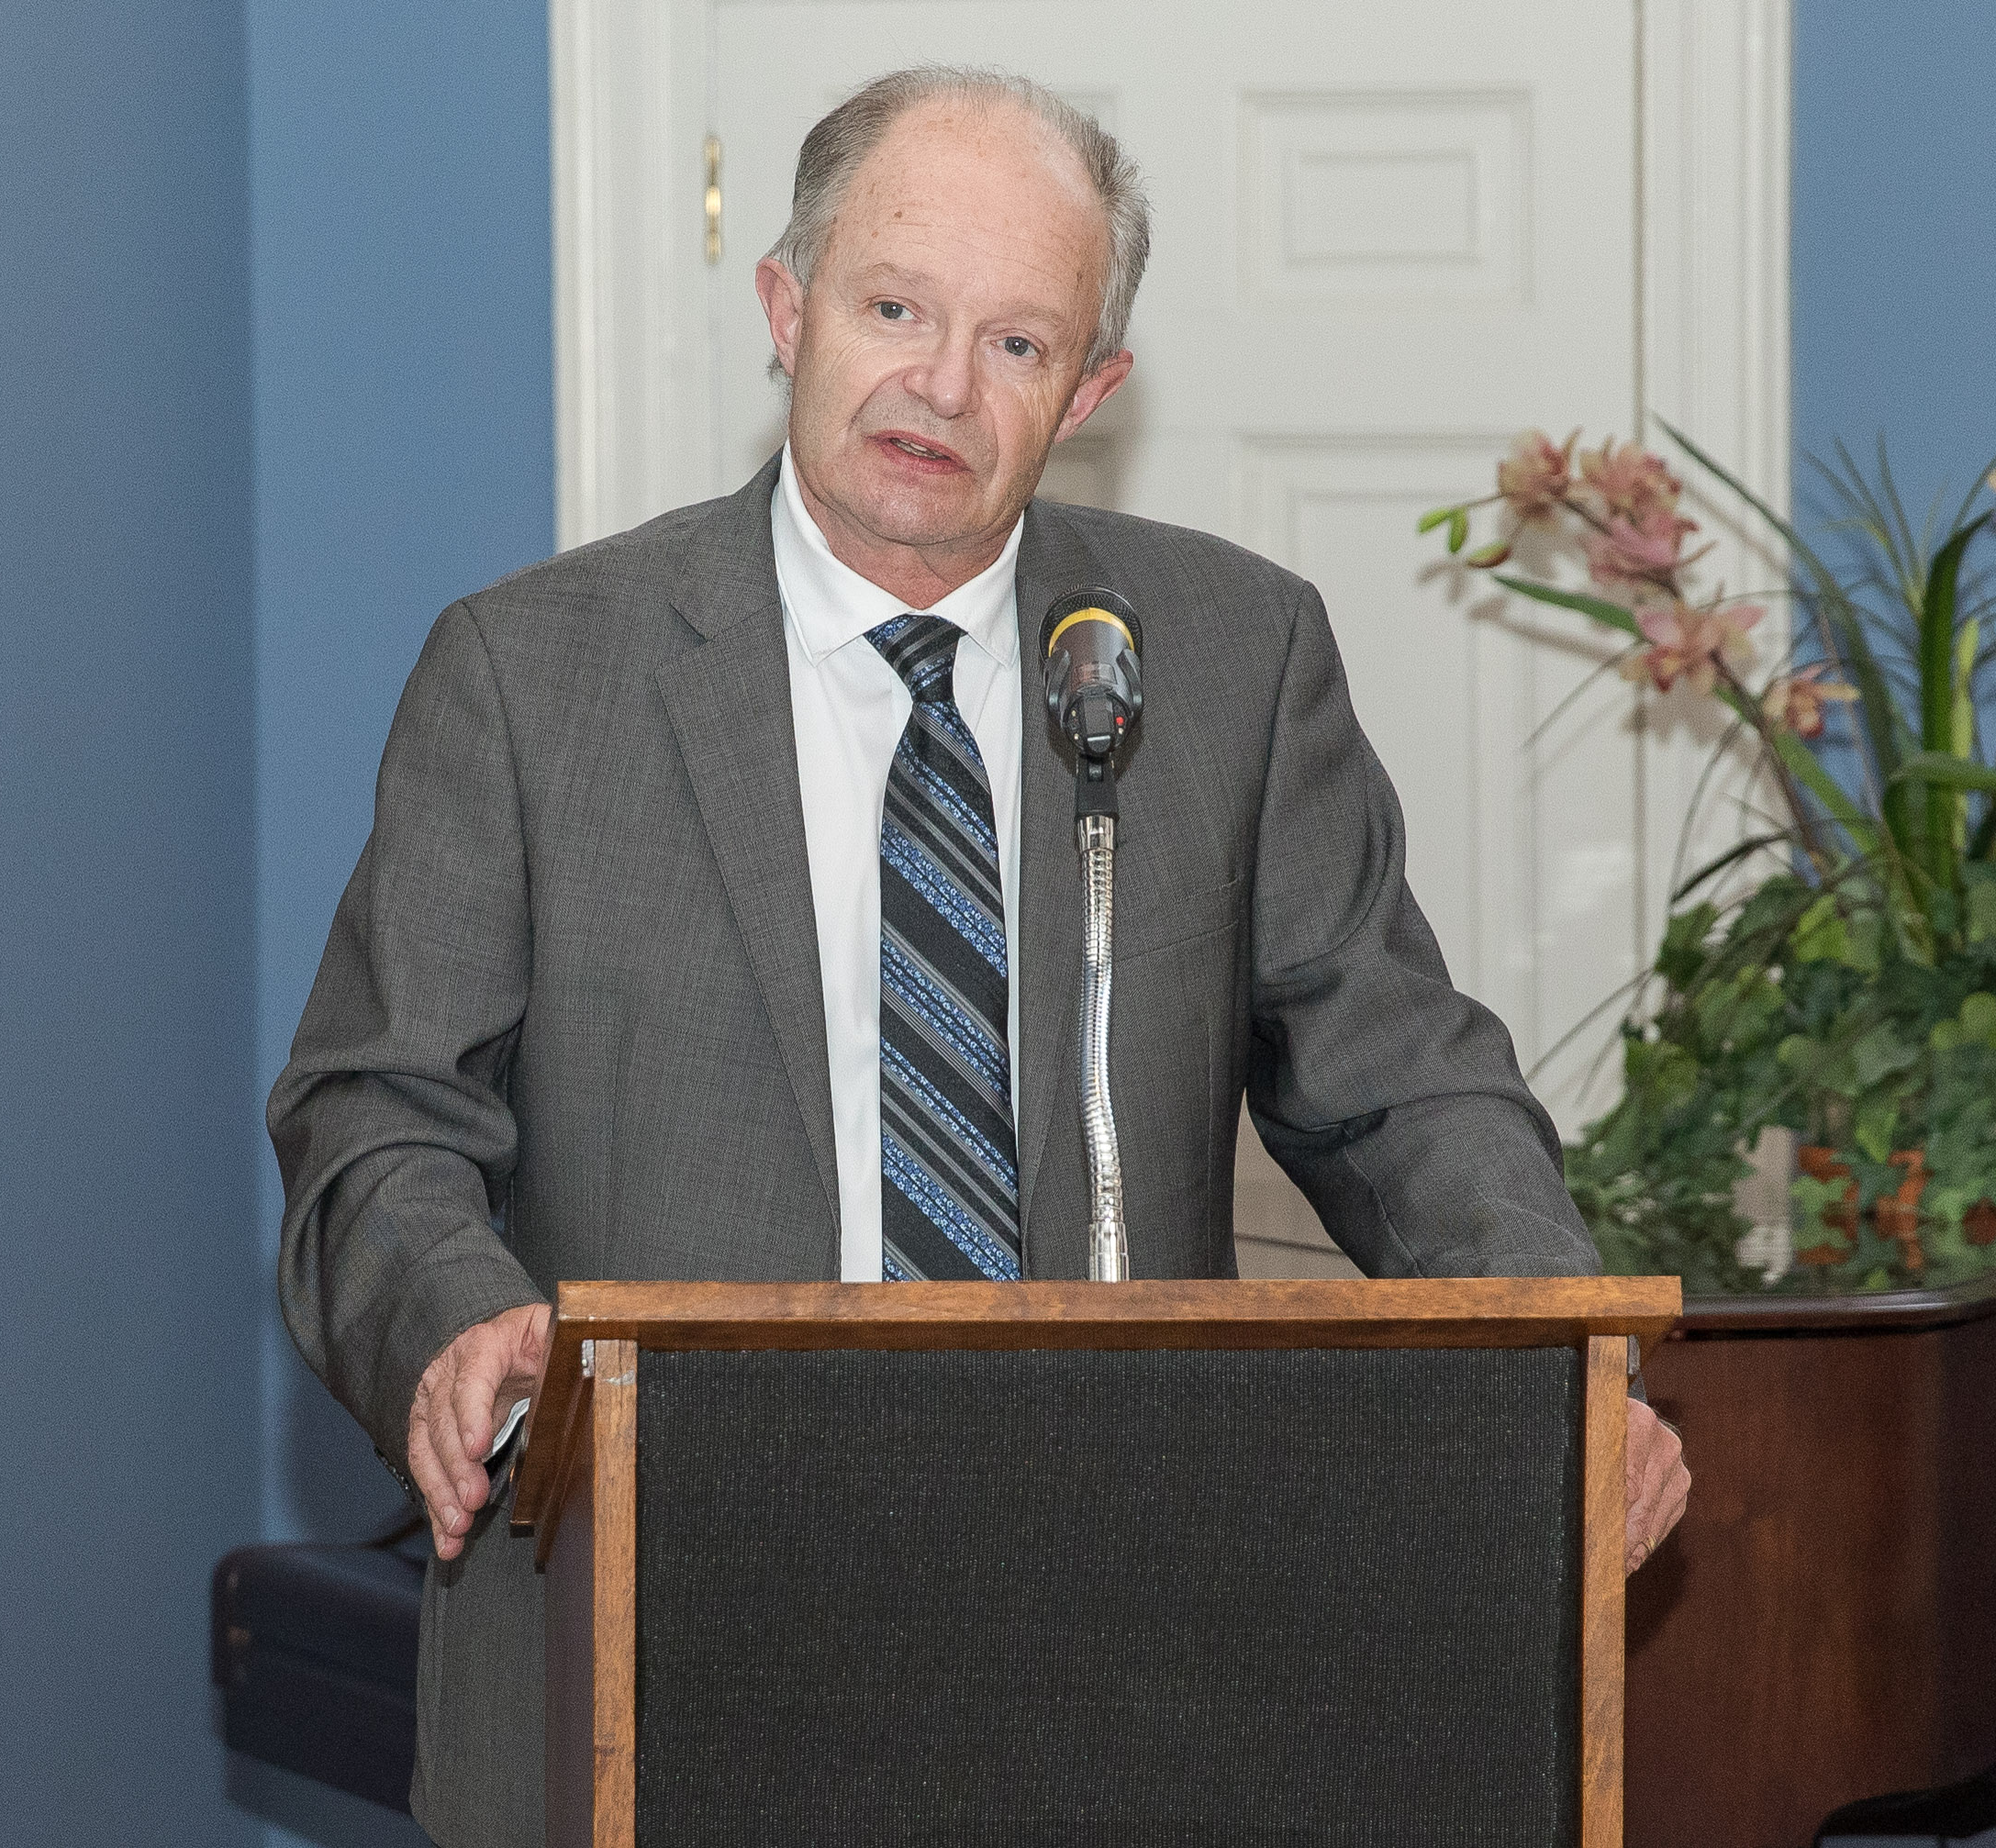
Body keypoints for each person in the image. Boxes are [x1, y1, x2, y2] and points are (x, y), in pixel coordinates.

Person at [270, 64, 1690, 1848]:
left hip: (1113, 1645)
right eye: (893, 309)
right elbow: (374, 1112)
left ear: (1091, 392)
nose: (940, 386)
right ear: (786, 309)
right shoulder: (529, 672)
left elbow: (1405, 1079)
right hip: (645, 1624)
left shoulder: (1228, 657)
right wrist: (453, 1315)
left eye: (1018, 345)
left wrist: (1555, 1345)